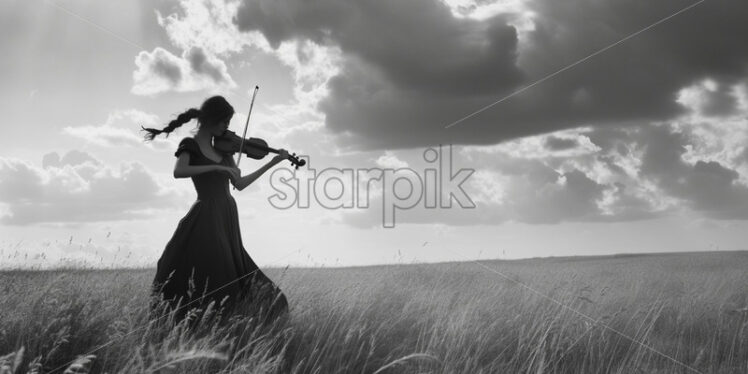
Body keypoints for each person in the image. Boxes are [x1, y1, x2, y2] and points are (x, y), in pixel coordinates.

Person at [141, 95, 290, 327]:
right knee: (210, 269)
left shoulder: (225, 151)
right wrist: (216, 167)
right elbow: (179, 171)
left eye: (228, 124)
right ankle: (194, 322)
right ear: (211, 119)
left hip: (227, 214)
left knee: (233, 268)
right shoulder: (190, 145)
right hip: (206, 213)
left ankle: (228, 323)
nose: (226, 128)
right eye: (224, 122)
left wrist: (273, 163)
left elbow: (240, 184)